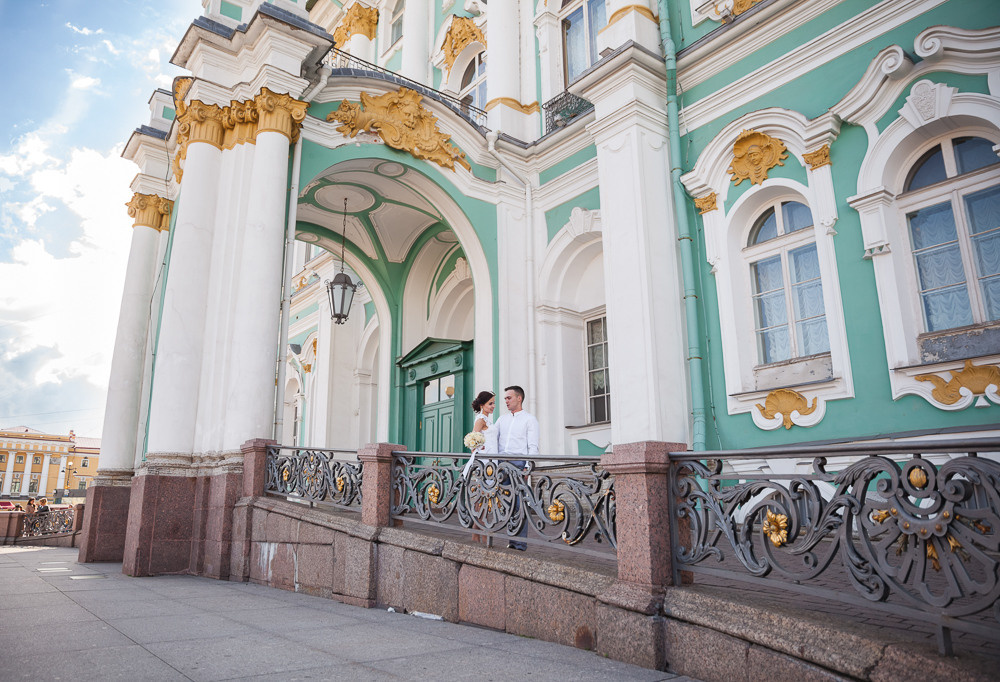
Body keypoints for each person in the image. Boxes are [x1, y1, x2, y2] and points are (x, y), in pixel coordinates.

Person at [493, 385, 539, 551]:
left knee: (519, 505)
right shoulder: (501, 420)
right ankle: (511, 540)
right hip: (501, 465)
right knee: (506, 504)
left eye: (509, 398)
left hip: (518, 465)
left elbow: (533, 446)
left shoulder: (529, 420)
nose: (506, 401)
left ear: (519, 398)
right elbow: (492, 439)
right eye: (505, 398)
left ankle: (518, 544)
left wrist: (527, 467)